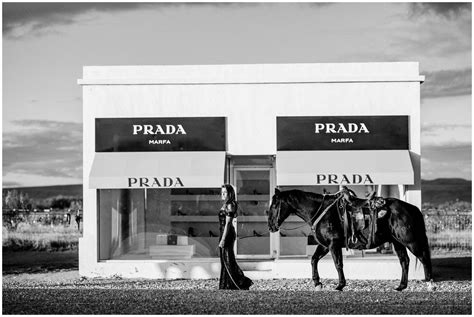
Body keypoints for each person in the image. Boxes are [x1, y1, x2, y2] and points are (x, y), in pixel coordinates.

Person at [218, 184, 253, 290]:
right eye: (222, 192)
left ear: (230, 193)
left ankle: (240, 283)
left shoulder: (230, 205)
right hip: (224, 232)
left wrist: (223, 239)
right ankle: (227, 284)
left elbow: (228, 223)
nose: (223, 194)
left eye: (225, 192)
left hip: (227, 233)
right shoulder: (226, 204)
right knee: (224, 259)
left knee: (228, 259)